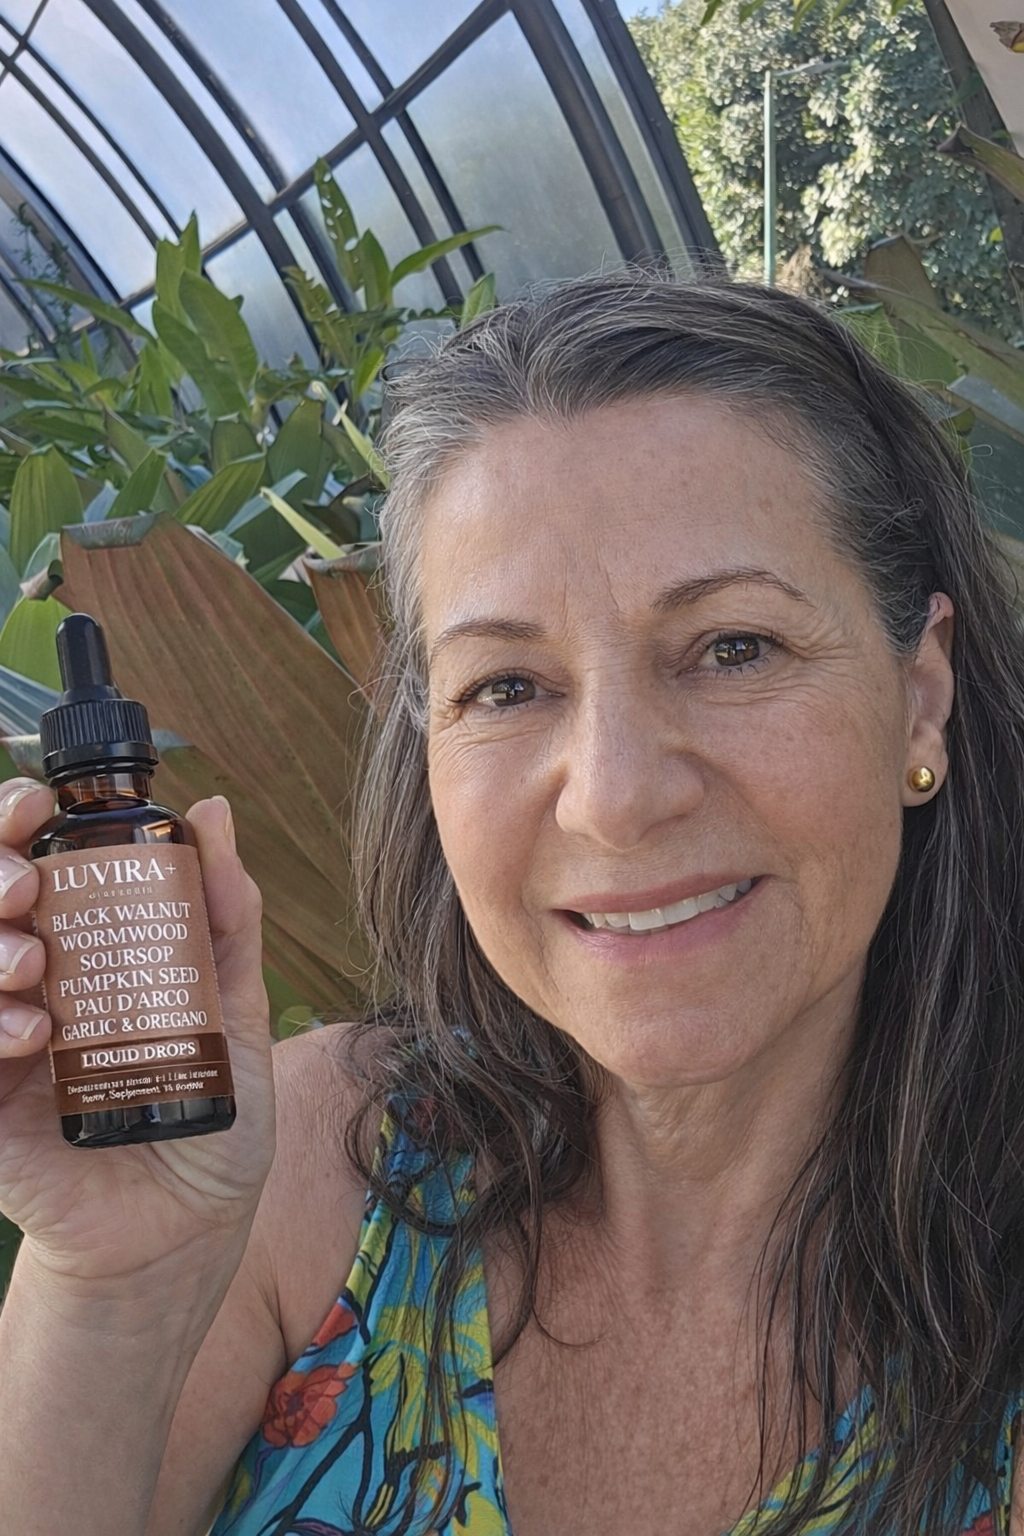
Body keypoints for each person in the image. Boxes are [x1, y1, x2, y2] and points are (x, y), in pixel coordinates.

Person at [1, 270, 1023, 1536]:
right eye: (506, 686)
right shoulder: (300, 1174)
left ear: (919, 697)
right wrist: (117, 1289)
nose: (613, 799)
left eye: (734, 647)